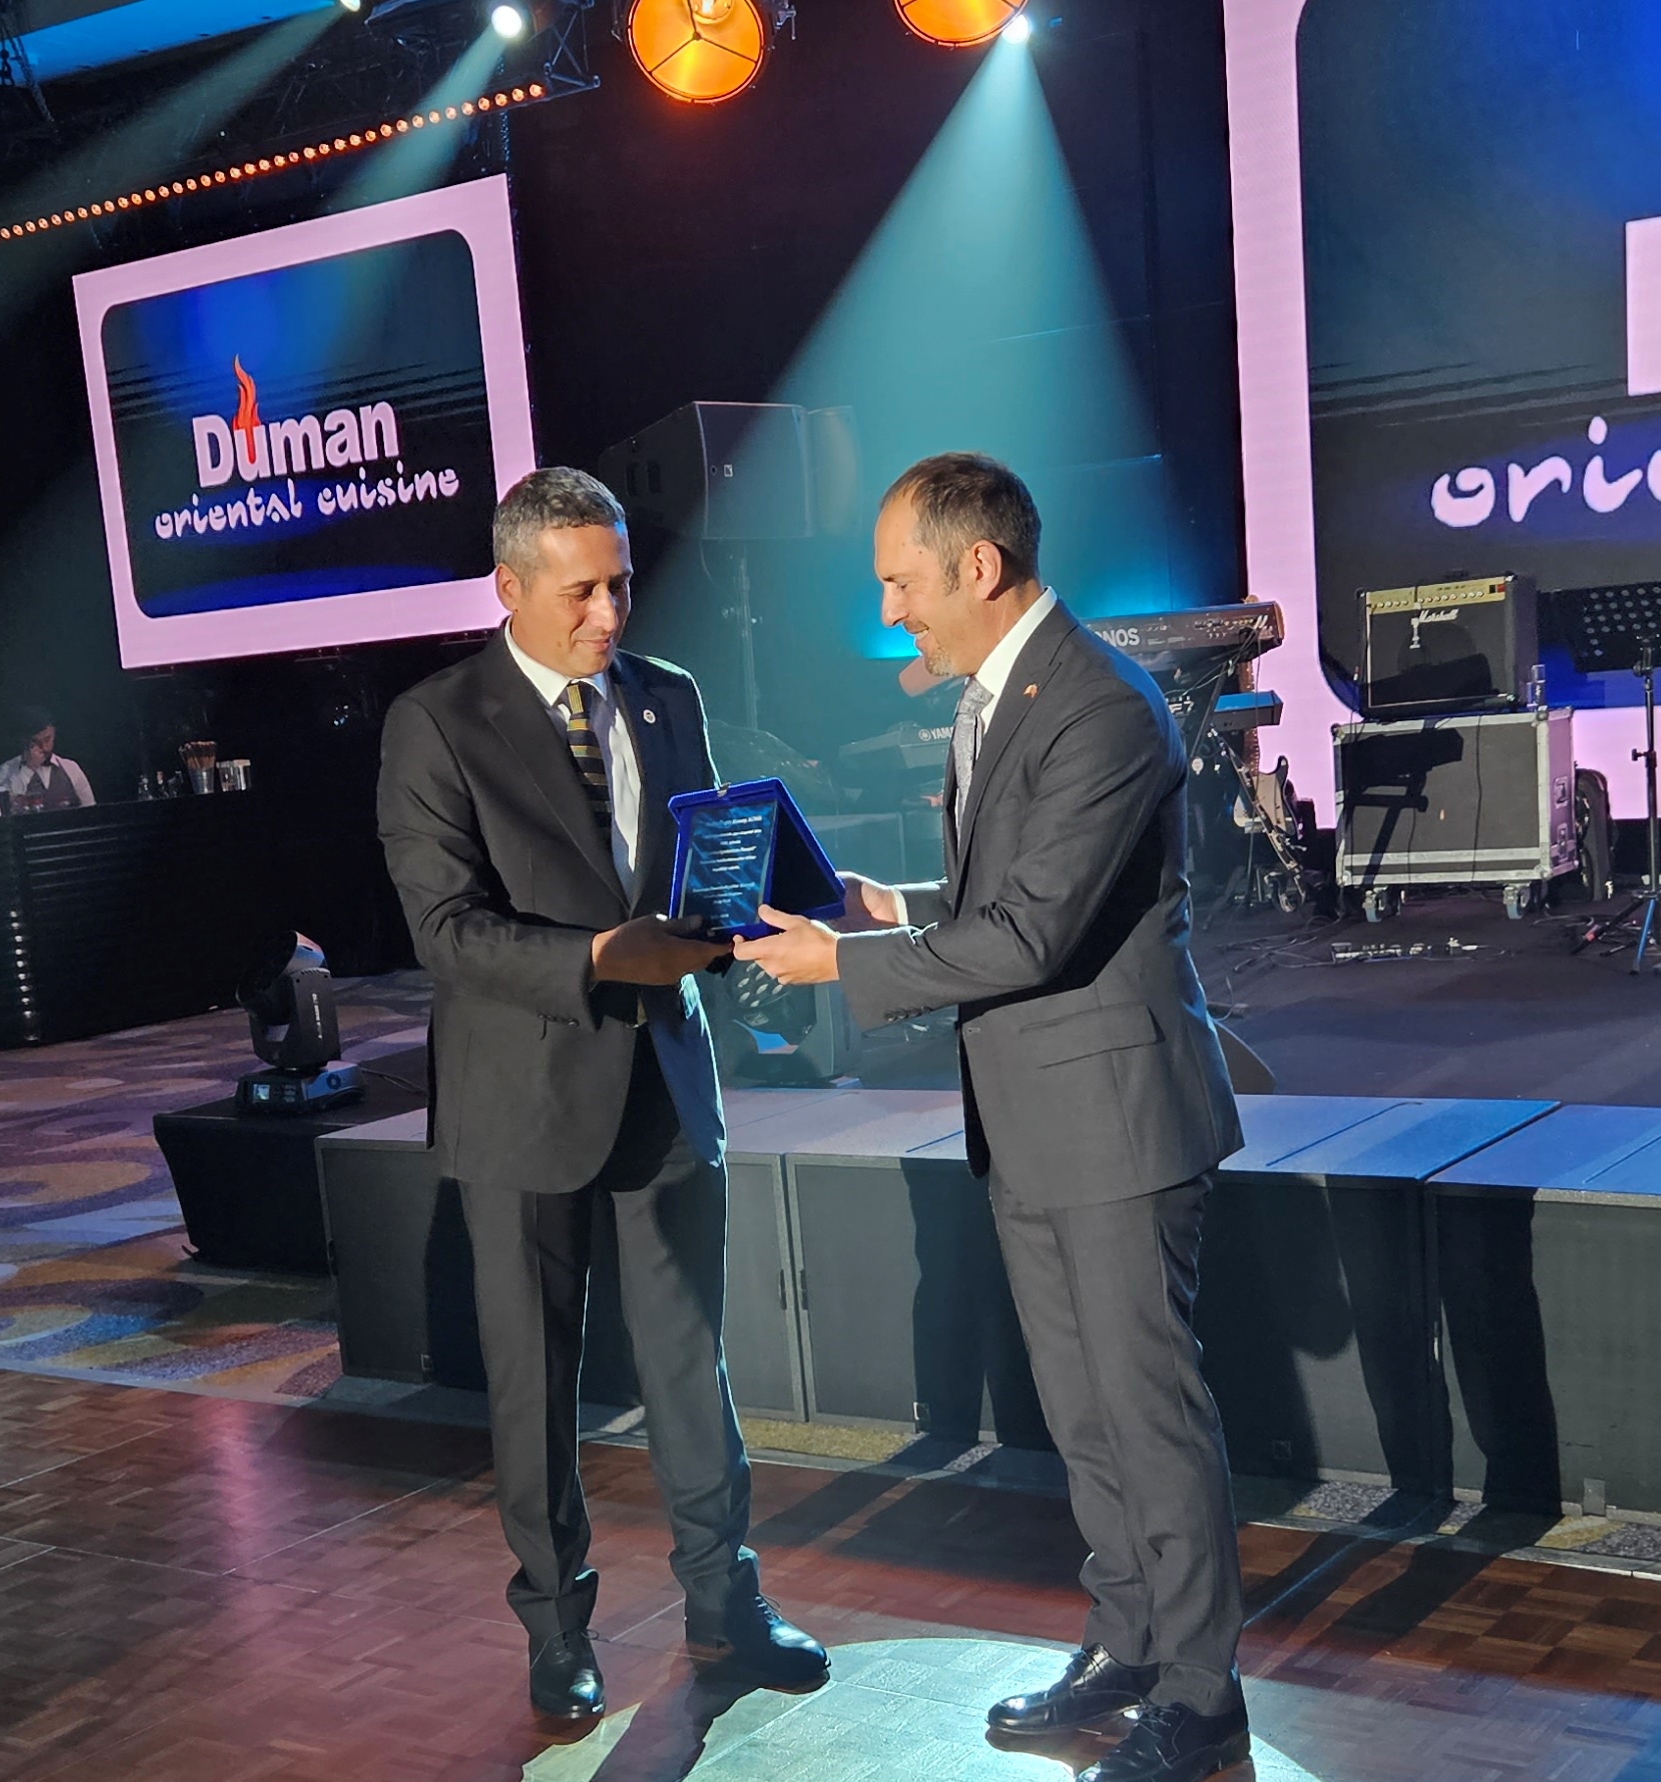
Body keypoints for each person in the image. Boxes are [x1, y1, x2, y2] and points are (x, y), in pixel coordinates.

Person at [742, 453, 1250, 1782]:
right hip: (1031, 1118)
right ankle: (1127, 1642)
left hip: (1115, 1120)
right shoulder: (1001, 696)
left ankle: (1202, 1693)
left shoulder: (1100, 706)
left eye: (899, 582)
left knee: (1147, 1415)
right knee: (1084, 1414)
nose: (890, 611)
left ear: (978, 566)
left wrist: (844, 964)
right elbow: (1002, 902)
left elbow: (1031, 934)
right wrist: (889, 908)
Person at [374, 467, 827, 1720]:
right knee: (534, 1384)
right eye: (580, 591)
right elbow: (445, 931)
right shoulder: (435, 720)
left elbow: (699, 873)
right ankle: (557, 1629)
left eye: (619, 584)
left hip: (666, 1081)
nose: (609, 614)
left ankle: (725, 1604)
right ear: (508, 587)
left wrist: (748, 925)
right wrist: (595, 960)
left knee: (692, 1366)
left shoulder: (667, 694)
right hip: (519, 1098)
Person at [0, 708, 95, 811]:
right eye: (35, 741)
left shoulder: (71, 768)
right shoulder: (5, 771)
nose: (44, 747)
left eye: (47, 739)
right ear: (24, 740)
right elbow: (5, 809)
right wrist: (29, 768)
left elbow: (90, 808)